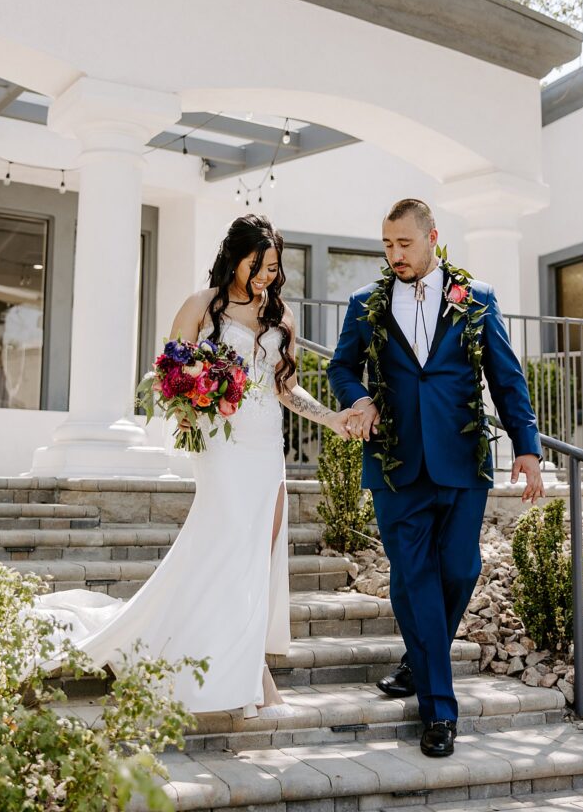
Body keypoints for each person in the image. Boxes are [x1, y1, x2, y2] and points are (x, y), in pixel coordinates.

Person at [35, 214, 361, 718]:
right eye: (256, 266)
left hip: (265, 449)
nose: (264, 278)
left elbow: (285, 388)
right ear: (234, 258)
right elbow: (166, 373)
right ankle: (250, 675)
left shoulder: (279, 313)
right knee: (230, 546)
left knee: (258, 556)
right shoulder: (200, 306)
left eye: (272, 268)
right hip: (223, 448)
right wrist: (194, 404)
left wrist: (332, 418)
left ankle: (244, 666)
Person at [327, 198, 545, 757]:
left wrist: (526, 446)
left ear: (431, 238)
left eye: (404, 243)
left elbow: (505, 374)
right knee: (414, 575)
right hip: (395, 463)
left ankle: (417, 659)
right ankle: (439, 711)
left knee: (460, 567)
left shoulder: (475, 298)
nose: (394, 254)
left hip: (463, 457)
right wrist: (359, 400)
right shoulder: (365, 304)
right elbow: (341, 366)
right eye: (387, 245)